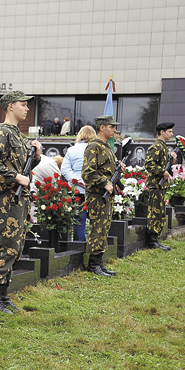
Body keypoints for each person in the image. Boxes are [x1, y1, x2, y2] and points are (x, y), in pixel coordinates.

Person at [0, 90, 41, 314]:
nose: (27, 109)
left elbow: (22, 169)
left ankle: (3, 295)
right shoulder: (3, 132)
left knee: (16, 247)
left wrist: (35, 157)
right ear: (10, 107)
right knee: (6, 245)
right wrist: (15, 177)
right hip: (6, 198)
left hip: (19, 198)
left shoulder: (17, 134)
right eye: (23, 105)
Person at [82, 115, 124, 277]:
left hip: (105, 195)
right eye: (112, 127)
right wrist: (104, 183)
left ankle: (99, 262)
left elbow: (105, 169)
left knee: (104, 228)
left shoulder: (105, 146)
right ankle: (93, 264)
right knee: (97, 227)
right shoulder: (94, 146)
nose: (115, 130)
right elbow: (87, 173)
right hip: (98, 194)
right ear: (102, 128)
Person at [144, 122, 177, 251]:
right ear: (161, 132)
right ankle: (152, 240)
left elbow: (163, 165)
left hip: (161, 185)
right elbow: (149, 164)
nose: (172, 134)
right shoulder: (156, 146)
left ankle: (155, 238)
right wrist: (162, 172)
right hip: (155, 184)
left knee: (160, 211)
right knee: (155, 211)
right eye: (169, 131)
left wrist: (171, 161)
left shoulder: (163, 147)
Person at [62, 125, 96, 241]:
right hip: (94, 190)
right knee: (96, 221)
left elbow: (65, 170)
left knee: (79, 220)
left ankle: (79, 247)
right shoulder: (97, 150)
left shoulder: (72, 150)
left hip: (77, 190)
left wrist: (77, 180)